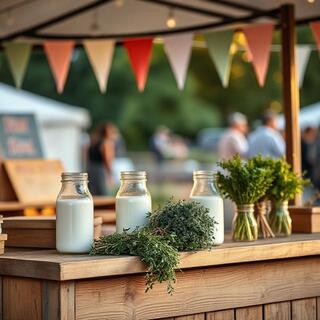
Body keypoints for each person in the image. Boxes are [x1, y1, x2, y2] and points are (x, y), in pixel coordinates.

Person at [87, 123, 116, 195]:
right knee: (103, 193)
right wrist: (110, 175)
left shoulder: (93, 142)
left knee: (92, 193)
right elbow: (108, 160)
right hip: (100, 171)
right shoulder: (107, 143)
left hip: (90, 169)